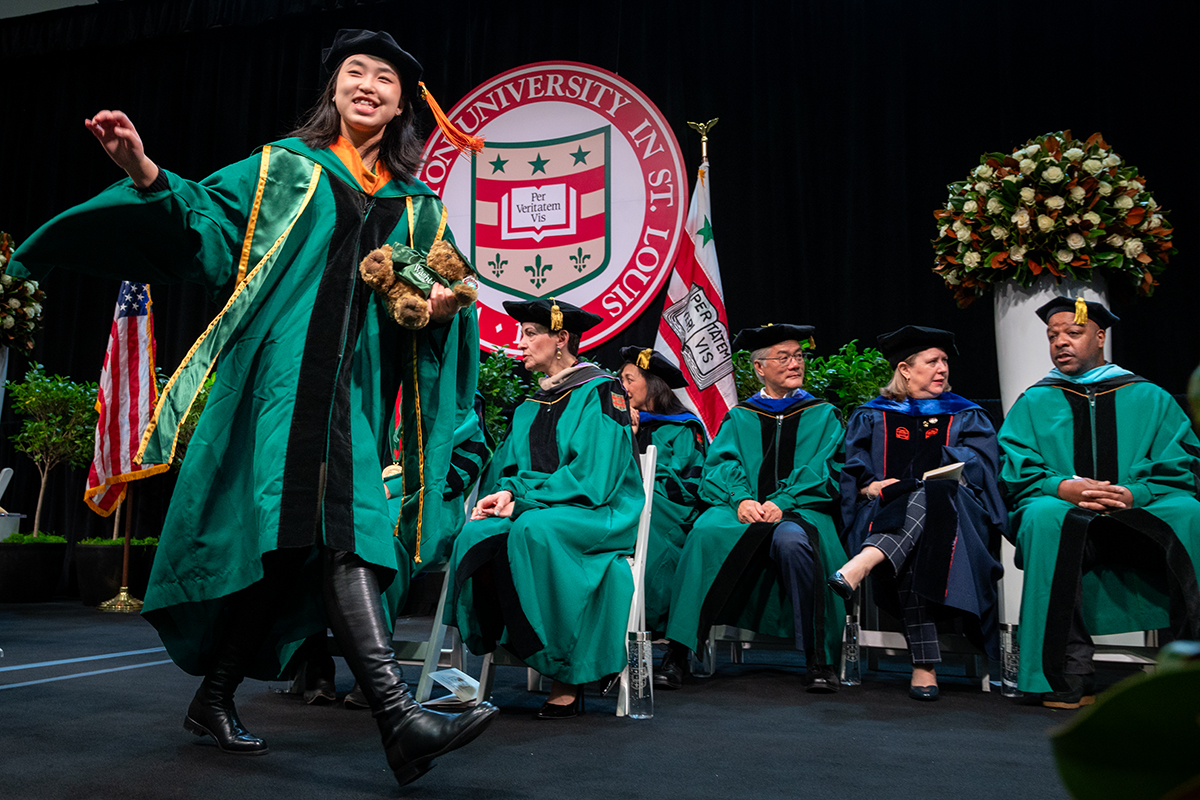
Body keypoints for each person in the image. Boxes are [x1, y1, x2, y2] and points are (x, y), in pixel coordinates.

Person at [8, 29, 495, 785]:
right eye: (355, 73)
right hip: (278, 391)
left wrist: (437, 308)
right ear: (333, 89)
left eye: (385, 80)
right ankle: (400, 719)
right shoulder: (283, 169)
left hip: (352, 400)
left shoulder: (418, 208)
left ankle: (215, 697)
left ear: (404, 106)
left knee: (299, 545)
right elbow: (203, 219)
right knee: (340, 537)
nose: (367, 85)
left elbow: (451, 301)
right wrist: (141, 167)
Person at [446, 298, 644, 719]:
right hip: (541, 509)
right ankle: (499, 648)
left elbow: (595, 478)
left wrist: (521, 500)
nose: (520, 343)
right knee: (476, 532)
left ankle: (565, 673)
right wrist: (503, 495)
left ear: (561, 339)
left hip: (597, 513)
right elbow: (510, 470)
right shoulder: (531, 404)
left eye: (530, 334)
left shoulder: (602, 391)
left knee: (536, 531)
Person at [998, 297, 1200, 709]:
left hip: (1141, 512)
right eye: (1053, 336)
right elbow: (1016, 468)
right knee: (1040, 515)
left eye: (1073, 333)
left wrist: (1134, 493)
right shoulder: (1036, 401)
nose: (1061, 343)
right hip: (1069, 514)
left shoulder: (1150, 397)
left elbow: (1180, 463)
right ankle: (1066, 674)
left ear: (1100, 336)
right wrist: (1061, 487)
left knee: (1189, 513)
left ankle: (1187, 672)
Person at [662, 325, 847, 692]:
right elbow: (720, 465)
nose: (796, 363)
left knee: (795, 542)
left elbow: (826, 469)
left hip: (801, 509)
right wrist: (741, 499)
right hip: (741, 508)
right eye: (784, 357)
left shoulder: (823, 414)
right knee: (704, 534)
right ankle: (677, 654)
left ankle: (818, 659)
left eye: (799, 356)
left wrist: (783, 501)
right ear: (759, 368)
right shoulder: (741, 416)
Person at [827, 326, 1005, 700]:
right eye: (932, 361)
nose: (942, 368)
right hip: (881, 512)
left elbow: (984, 468)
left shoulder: (966, 415)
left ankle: (865, 563)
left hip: (958, 517)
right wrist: (867, 486)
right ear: (906, 370)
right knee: (917, 520)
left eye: (944, 361)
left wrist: (944, 463)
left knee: (927, 497)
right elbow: (850, 471)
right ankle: (923, 667)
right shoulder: (872, 415)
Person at [617, 346, 708, 690]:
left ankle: (676, 650)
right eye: (621, 379)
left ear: (653, 384)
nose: (622, 386)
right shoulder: (618, 420)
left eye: (629, 379)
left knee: (652, 536)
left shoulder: (684, 427)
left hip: (671, 510)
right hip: (626, 506)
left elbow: (684, 484)